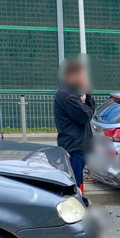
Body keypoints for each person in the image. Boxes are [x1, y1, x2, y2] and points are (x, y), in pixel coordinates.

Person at [53, 56, 95, 190]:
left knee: (77, 183)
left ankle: (80, 207)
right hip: (74, 147)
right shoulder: (66, 95)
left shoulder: (70, 93)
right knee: (74, 185)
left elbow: (88, 113)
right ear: (72, 75)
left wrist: (87, 97)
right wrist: (87, 94)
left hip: (78, 146)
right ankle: (76, 209)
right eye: (82, 75)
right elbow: (85, 116)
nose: (84, 78)